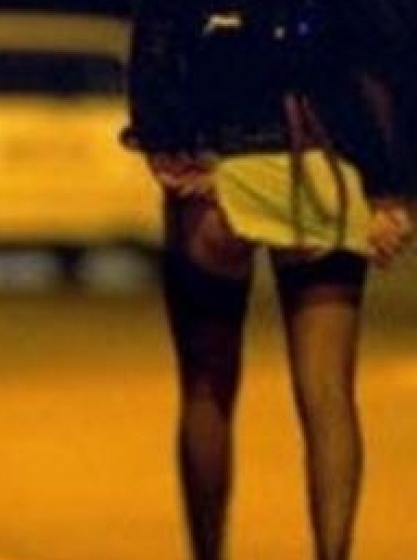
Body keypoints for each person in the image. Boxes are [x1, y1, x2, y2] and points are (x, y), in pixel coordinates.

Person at [123, 0, 413, 559]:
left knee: (206, 387)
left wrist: (165, 144)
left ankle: (208, 552)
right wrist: (389, 190)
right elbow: (383, 54)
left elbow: (155, 41)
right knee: (329, 393)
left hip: (218, 173)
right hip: (319, 169)